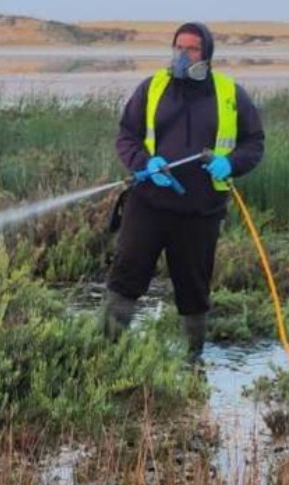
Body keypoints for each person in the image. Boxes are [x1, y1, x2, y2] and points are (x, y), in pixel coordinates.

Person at [102, 21, 265, 364]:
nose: (181, 54)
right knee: (125, 277)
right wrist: (144, 163)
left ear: (206, 54)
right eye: (177, 47)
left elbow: (254, 144)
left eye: (190, 48)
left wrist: (230, 163)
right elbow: (126, 135)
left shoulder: (230, 94)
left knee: (194, 290)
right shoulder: (153, 87)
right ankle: (105, 355)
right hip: (148, 205)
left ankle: (193, 361)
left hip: (200, 214)